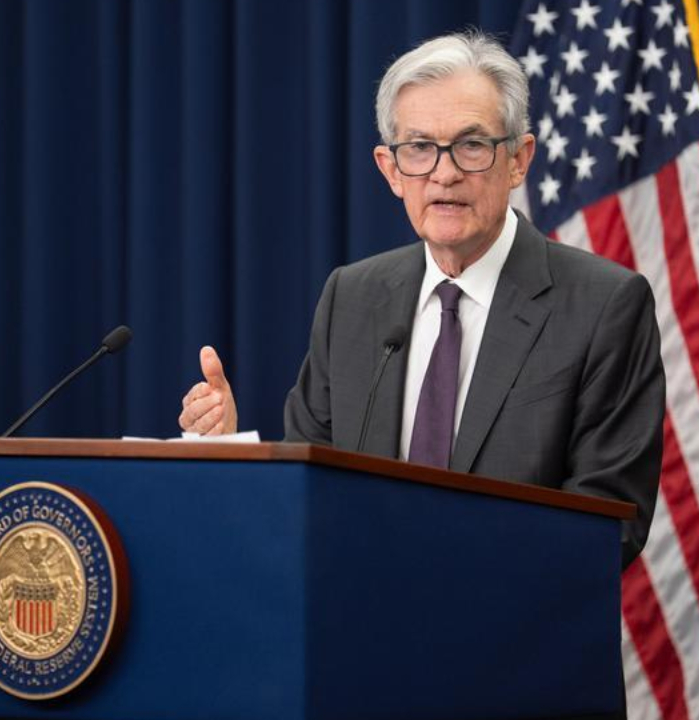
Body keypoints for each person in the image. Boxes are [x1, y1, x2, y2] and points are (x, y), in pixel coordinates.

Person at [179, 31, 664, 568]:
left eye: (472, 145)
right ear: (390, 169)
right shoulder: (352, 298)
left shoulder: (604, 305)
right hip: (363, 639)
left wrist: (438, 577)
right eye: (419, 149)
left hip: (516, 641)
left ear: (519, 161)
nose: (445, 172)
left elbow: (606, 524)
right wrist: (230, 453)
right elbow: (307, 491)